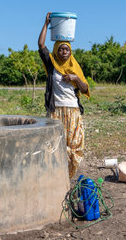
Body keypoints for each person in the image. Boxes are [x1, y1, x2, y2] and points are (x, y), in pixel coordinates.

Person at [38, 12, 90, 179]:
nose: (64, 51)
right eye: (60, 48)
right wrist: (46, 24)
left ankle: (68, 176)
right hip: (56, 111)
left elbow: (84, 88)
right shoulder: (51, 64)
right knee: (54, 144)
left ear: (70, 51)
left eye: (66, 48)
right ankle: (55, 176)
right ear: (56, 50)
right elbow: (41, 45)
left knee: (75, 145)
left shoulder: (75, 66)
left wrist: (75, 78)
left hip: (73, 111)